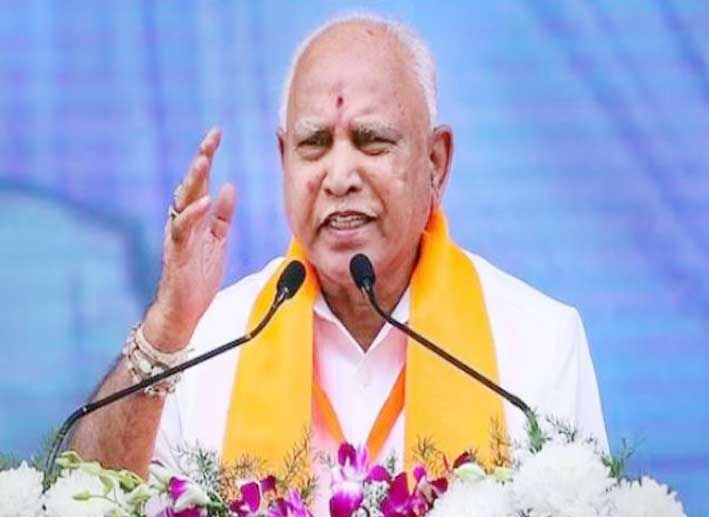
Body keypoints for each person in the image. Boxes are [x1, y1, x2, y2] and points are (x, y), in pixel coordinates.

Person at [71, 15, 607, 483]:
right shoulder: (203, 345)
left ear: (436, 163)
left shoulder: (538, 345)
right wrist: (167, 324)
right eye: (315, 144)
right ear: (284, 160)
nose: (340, 176)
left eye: (372, 141)